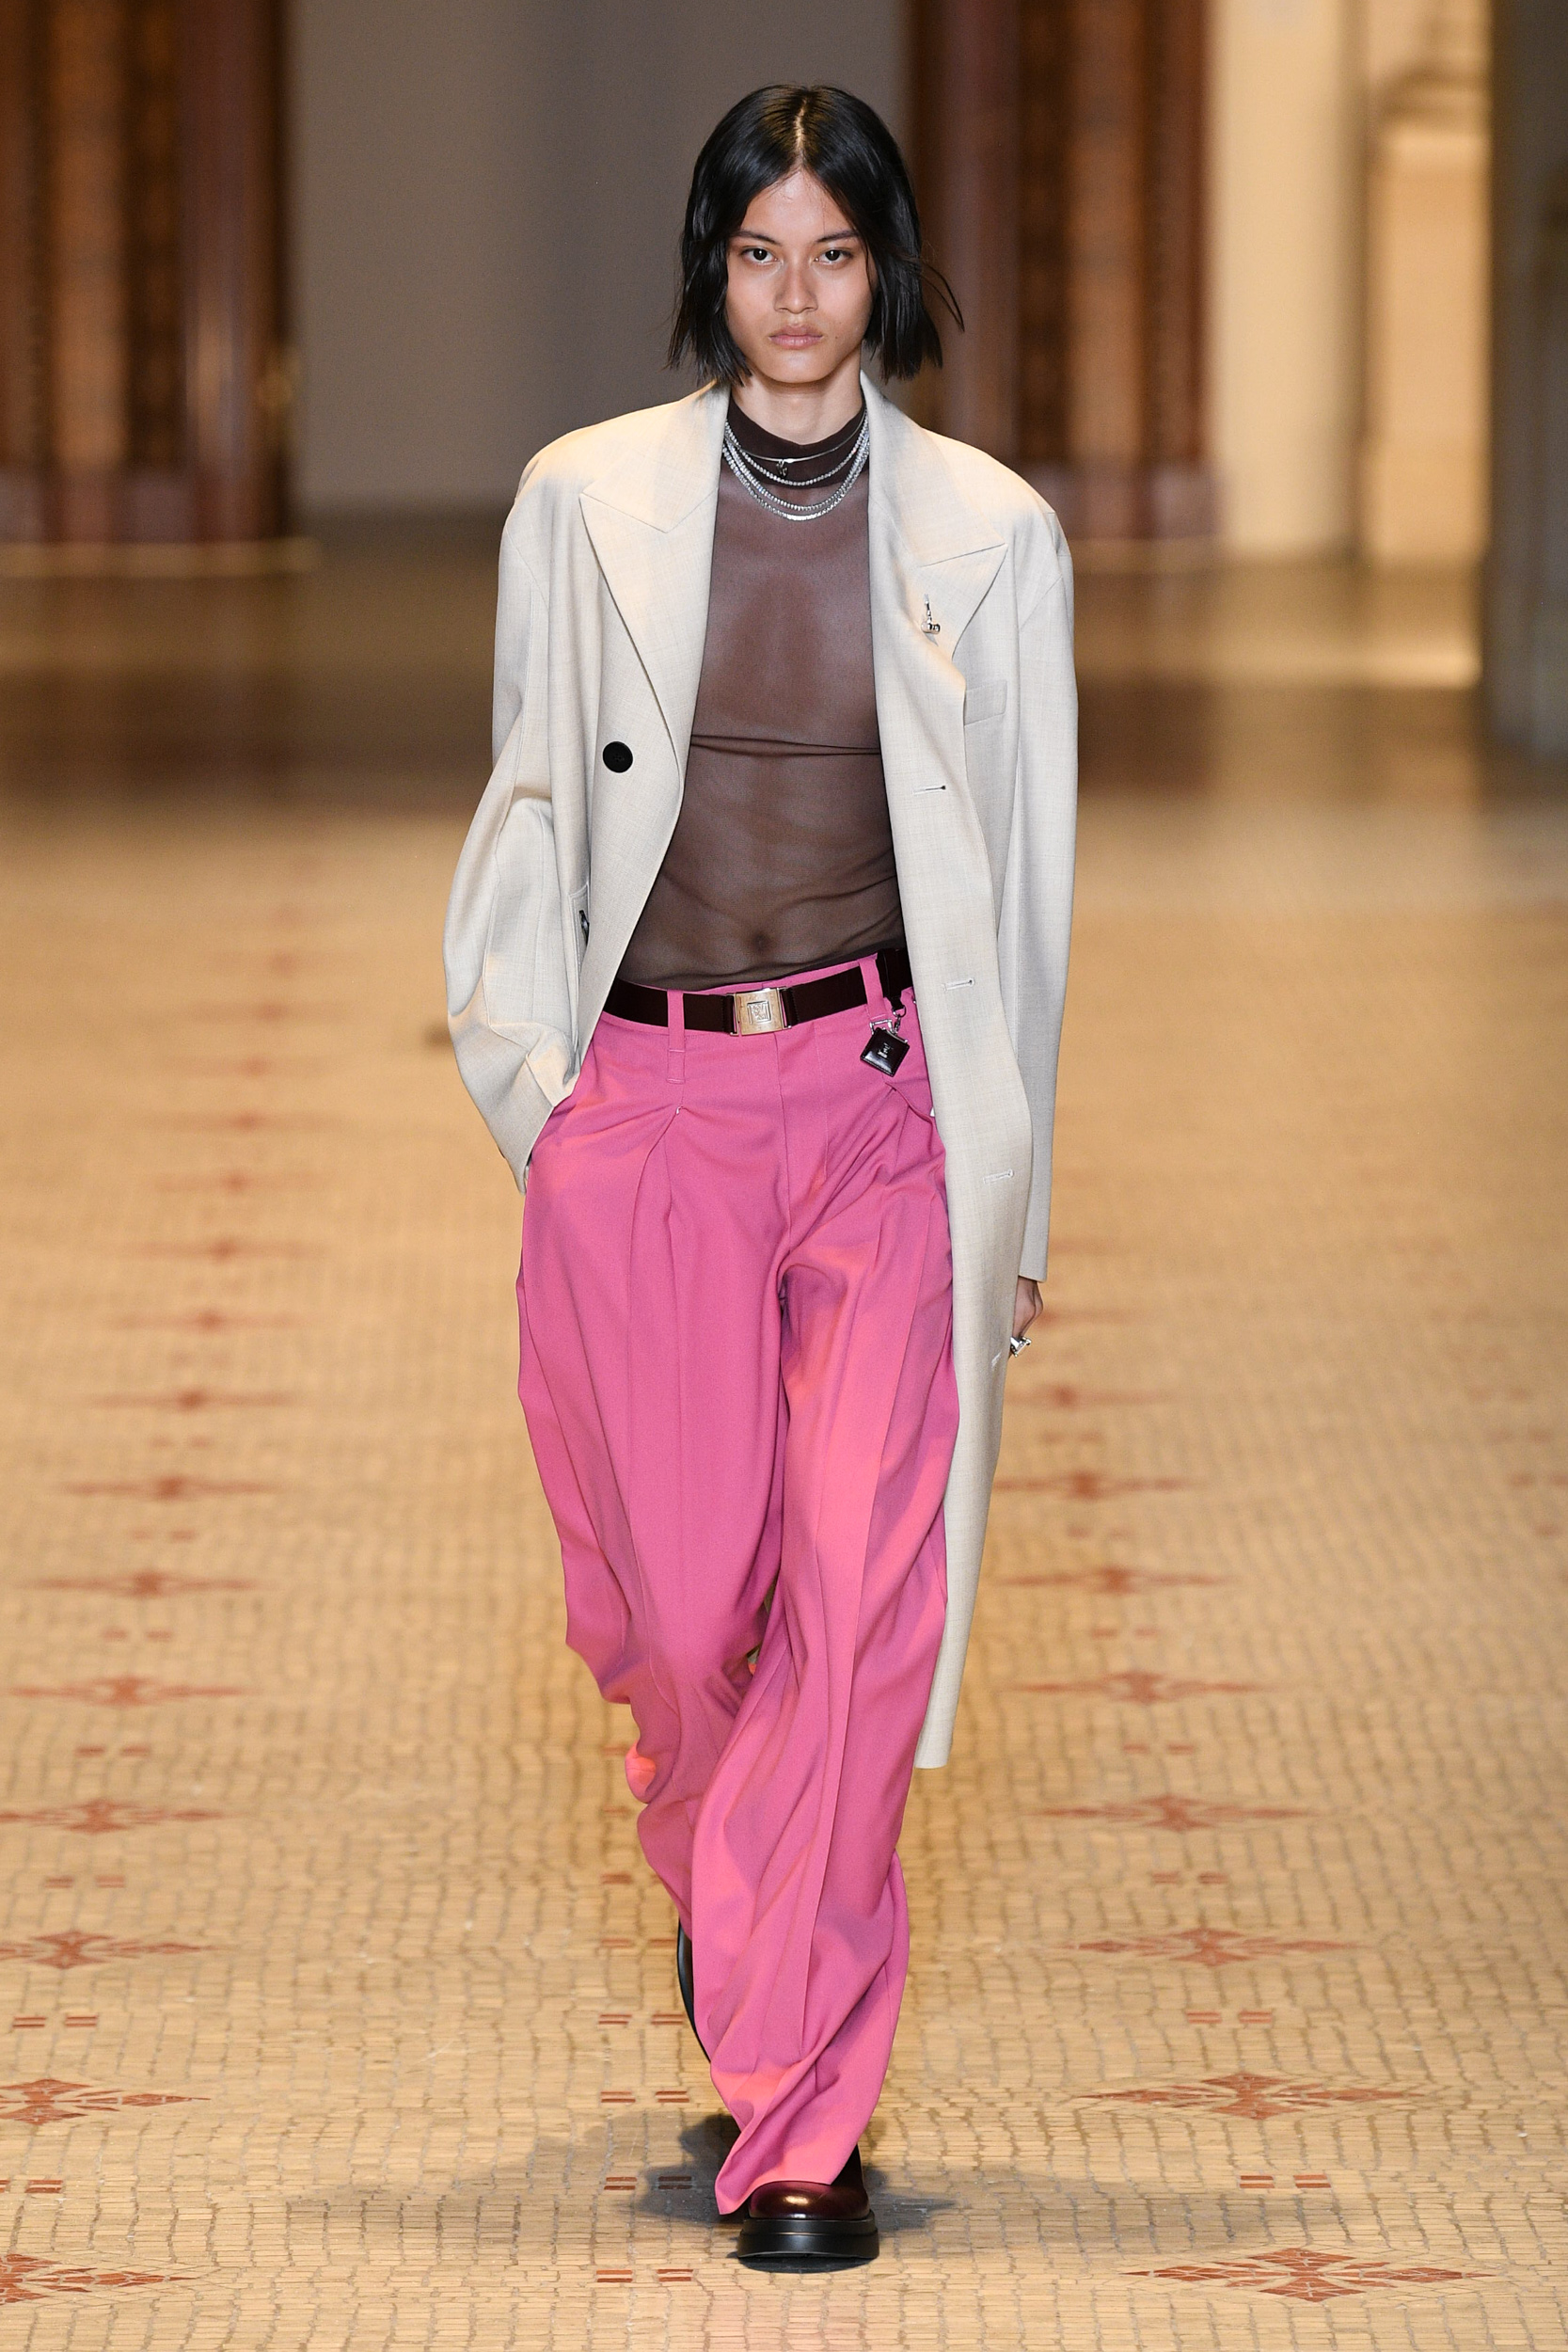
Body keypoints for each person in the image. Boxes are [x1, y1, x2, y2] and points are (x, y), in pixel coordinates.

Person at [444, 84, 1076, 2269]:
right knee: (684, 1607)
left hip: (886, 1111)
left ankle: (803, 2112)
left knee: (863, 1602)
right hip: (645, 1109)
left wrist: (1017, 1205)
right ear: (710, 272)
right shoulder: (581, 501)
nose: (797, 298)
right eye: (757, 253)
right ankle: (740, 1891)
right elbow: (532, 799)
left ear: (887, 273)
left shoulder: (992, 532)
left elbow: (1026, 891)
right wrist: (538, 1091)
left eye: (835, 252)